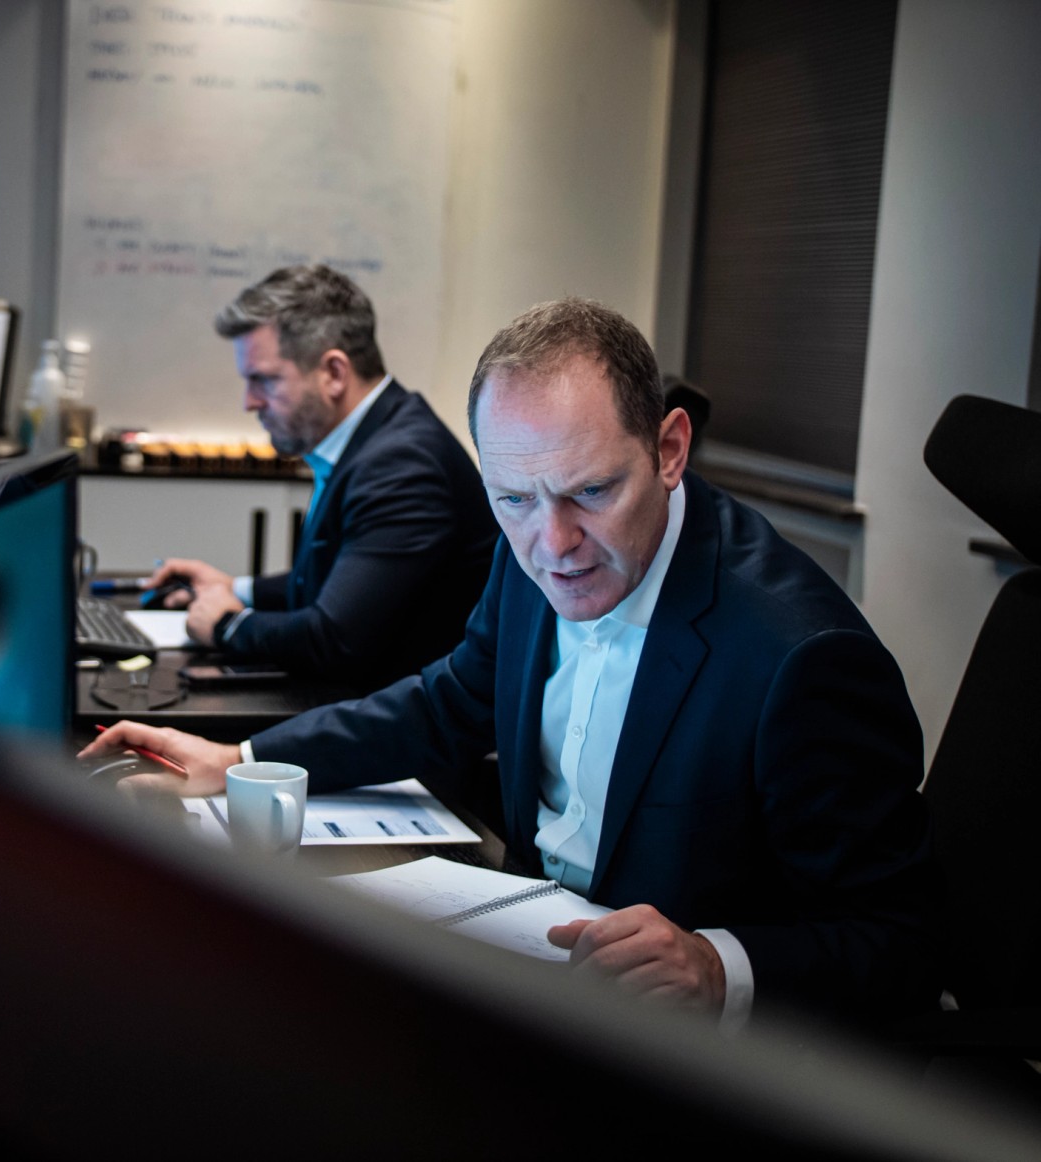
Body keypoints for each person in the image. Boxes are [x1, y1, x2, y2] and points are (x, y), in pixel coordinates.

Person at [84, 297, 939, 1030]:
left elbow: (901, 941)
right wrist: (243, 761)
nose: (553, 545)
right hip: (527, 960)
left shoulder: (802, 658)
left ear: (670, 450)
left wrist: (718, 966)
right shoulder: (525, 552)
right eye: (514, 499)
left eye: (593, 493)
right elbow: (447, 702)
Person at [148, 264, 499, 690]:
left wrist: (227, 625)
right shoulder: (377, 438)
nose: (249, 402)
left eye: (264, 380)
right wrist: (236, 588)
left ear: (334, 372)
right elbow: (340, 575)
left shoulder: (402, 465)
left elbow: (334, 641)